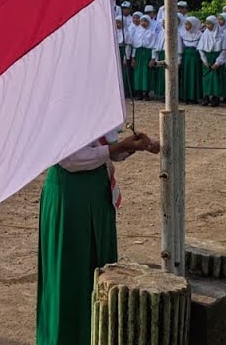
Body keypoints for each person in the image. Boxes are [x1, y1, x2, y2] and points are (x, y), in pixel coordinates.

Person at [36, 129, 160, 345]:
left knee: (101, 274)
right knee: (69, 278)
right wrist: (118, 147)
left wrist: (134, 145)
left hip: (97, 191)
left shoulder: (100, 99)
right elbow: (71, 159)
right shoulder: (63, 100)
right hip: (71, 194)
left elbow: (107, 148)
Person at [198, 16, 226, 107]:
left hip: (216, 58)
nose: (208, 26)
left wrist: (218, 62)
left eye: (210, 24)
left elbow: (224, 50)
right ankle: (206, 97)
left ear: (215, 24)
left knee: (215, 80)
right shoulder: (204, 35)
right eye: (206, 24)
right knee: (206, 79)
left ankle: (215, 98)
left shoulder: (221, 36)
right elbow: (200, 49)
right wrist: (204, 60)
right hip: (207, 59)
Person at [178, 16, 204, 104]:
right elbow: (181, 47)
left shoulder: (200, 34)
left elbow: (200, 47)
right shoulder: (183, 34)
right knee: (186, 76)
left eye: (188, 24)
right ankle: (186, 96)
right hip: (186, 57)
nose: (186, 26)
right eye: (185, 24)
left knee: (194, 76)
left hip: (195, 57)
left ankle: (194, 97)